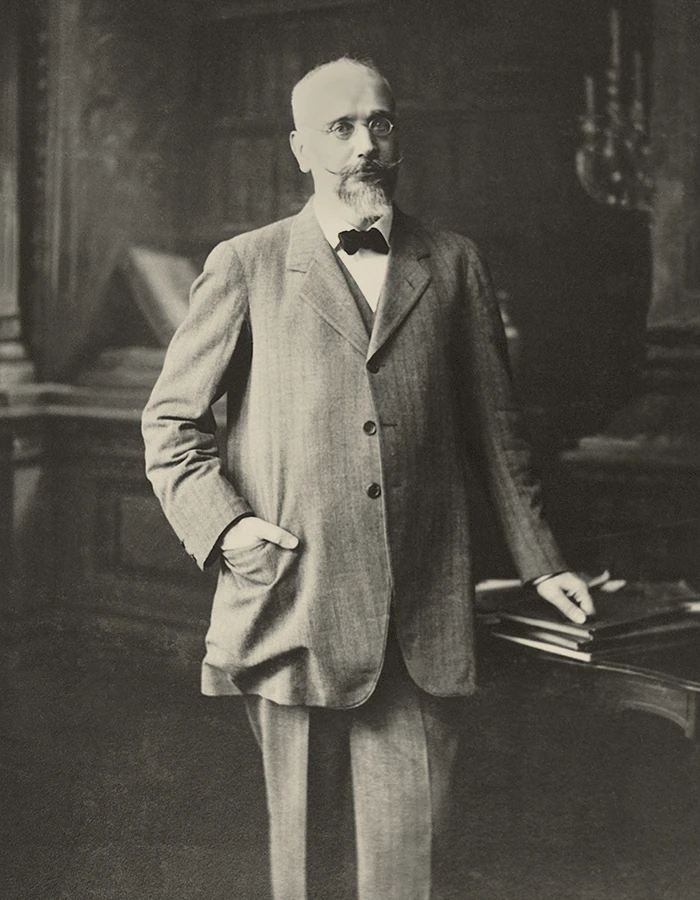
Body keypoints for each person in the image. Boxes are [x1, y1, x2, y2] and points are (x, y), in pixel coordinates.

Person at [142, 56, 594, 900]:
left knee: (408, 872)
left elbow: (497, 431)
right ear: (299, 148)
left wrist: (544, 561)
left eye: (380, 124)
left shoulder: (454, 262)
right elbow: (171, 425)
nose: (365, 146)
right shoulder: (246, 264)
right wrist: (229, 528)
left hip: (422, 614)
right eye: (341, 128)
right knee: (305, 868)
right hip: (294, 606)